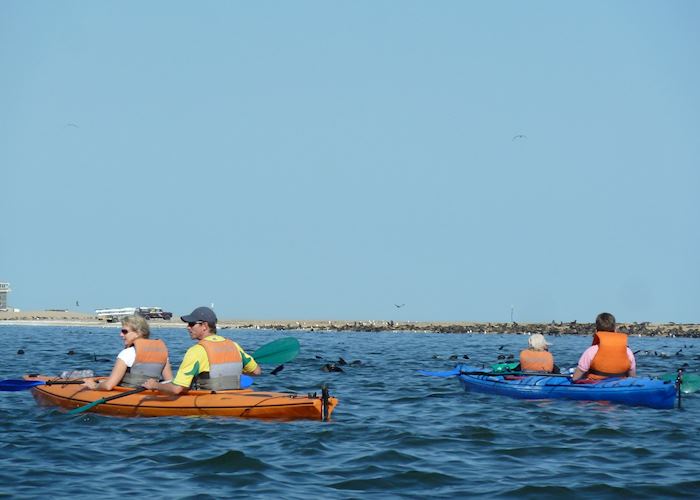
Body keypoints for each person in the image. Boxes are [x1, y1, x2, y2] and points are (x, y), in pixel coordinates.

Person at [143, 306, 261, 394]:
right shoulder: (234, 345)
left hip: (209, 409)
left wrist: (155, 385)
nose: (188, 327)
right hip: (234, 398)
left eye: (191, 324)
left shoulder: (196, 351)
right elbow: (256, 371)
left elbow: (177, 389)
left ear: (204, 326)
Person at [84, 314, 173, 390]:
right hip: (151, 394)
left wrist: (94, 385)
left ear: (138, 333)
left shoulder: (127, 353)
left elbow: (108, 386)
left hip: (129, 394)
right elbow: (169, 381)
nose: (121, 334)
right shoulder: (162, 352)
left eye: (124, 331)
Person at [572, 312, 636, 381]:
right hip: (619, 386)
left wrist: (573, 378)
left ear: (596, 331)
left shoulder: (591, 351)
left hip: (595, 386)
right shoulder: (627, 351)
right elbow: (632, 376)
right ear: (615, 330)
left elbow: (575, 378)